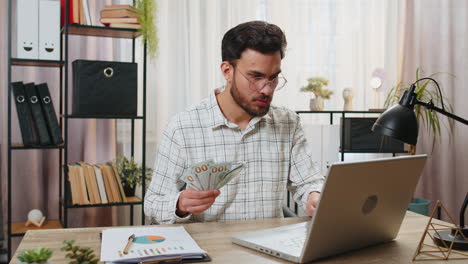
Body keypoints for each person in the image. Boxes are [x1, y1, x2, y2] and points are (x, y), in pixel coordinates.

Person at [144, 21, 324, 224]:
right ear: (227, 71)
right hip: (212, 251)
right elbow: (153, 204)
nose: (266, 89)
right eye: (255, 77)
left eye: (273, 78)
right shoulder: (183, 128)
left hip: (270, 249)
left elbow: (309, 182)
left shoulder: (288, 123)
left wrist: (314, 196)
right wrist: (179, 205)